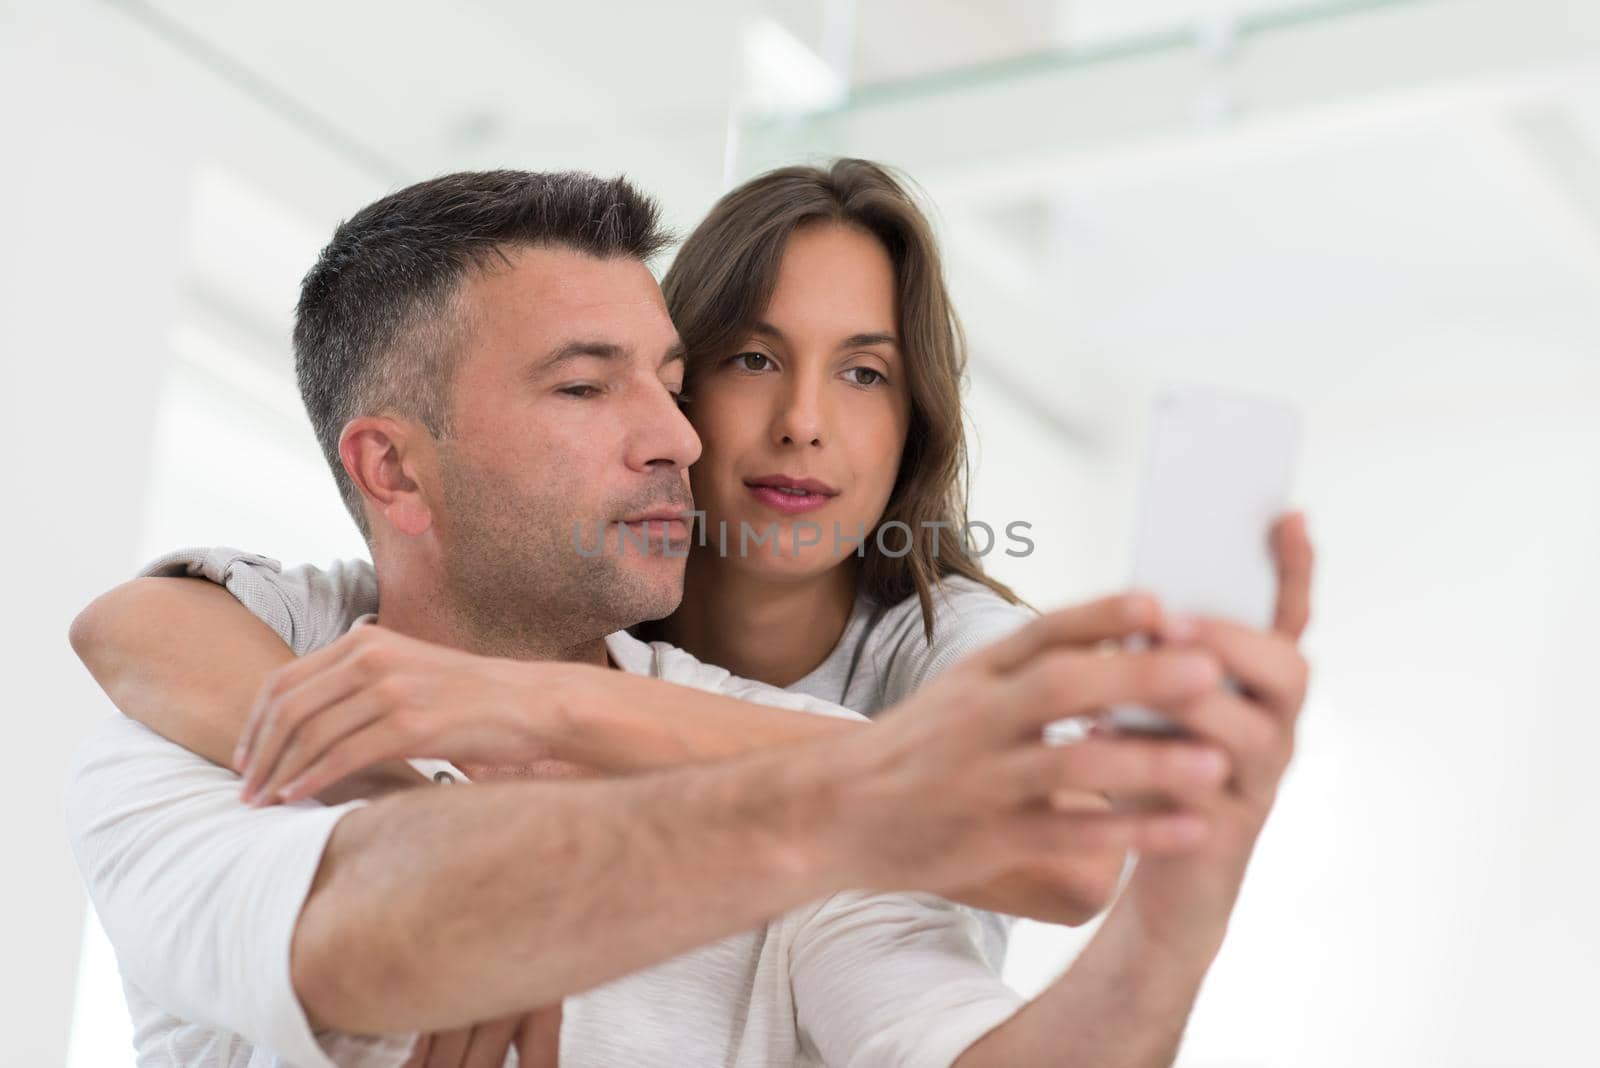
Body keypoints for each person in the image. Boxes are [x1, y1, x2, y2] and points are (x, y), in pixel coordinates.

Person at [66, 169, 1314, 1067]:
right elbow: (345, 926)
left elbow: (1006, 960)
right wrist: (439, 805)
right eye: (584, 385)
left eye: (667, 382)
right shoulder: (193, 719)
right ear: (393, 471)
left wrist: (1176, 917)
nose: (679, 437)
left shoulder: (832, 706)